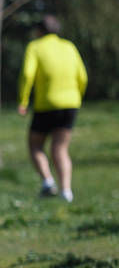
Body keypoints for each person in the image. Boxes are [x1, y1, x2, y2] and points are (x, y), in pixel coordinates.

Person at [17, 14, 88, 203]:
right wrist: (77, 96)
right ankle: (66, 191)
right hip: (71, 103)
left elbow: (27, 74)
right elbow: (82, 76)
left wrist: (23, 101)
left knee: (35, 145)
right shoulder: (69, 47)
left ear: (39, 31)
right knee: (60, 147)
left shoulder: (35, 47)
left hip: (46, 105)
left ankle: (48, 182)